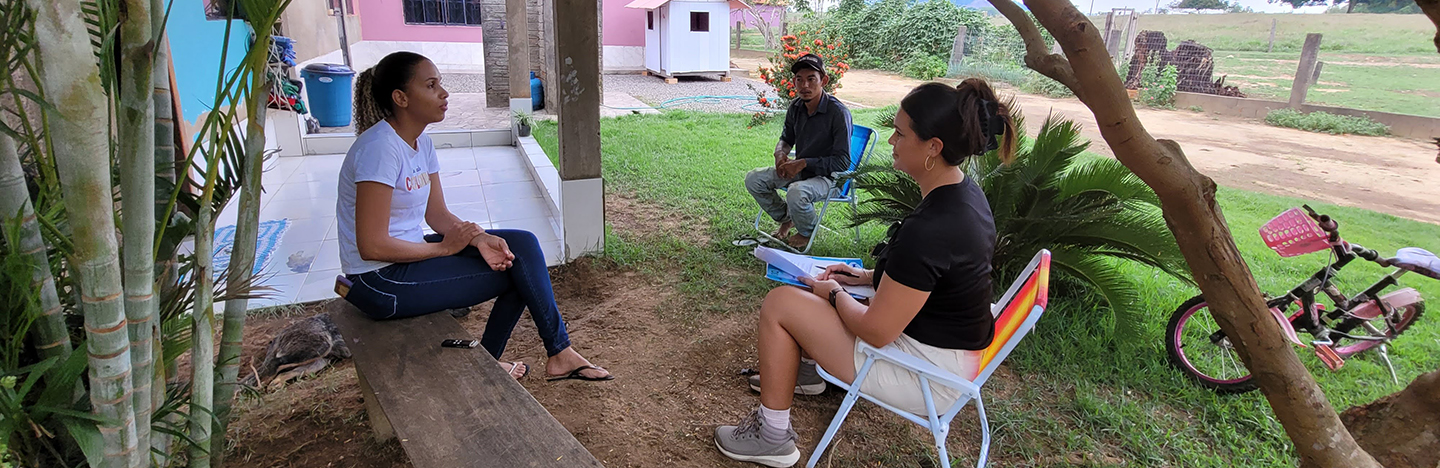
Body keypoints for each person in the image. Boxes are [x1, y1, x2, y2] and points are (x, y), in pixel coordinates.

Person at [715, 79, 1016, 467]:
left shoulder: (933, 227)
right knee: (822, 287)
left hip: (925, 377)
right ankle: (805, 374)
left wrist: (834, 294)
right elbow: (933, 280)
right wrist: (865, 278)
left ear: (933, 148)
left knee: (781, 303)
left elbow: (875, 331)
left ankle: (772, 437)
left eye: (900, 132)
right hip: (946, 352)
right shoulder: (964, 196)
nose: (891, 140)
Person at [334, 51, 612, 383]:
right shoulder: (379, 149)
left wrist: (478, 238)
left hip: (405, 259)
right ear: (401, 98)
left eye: (441, 84)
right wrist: (443, 249)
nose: (444, 93)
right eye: (431, 85)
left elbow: (437, 216)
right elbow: (371, 246)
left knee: (519, 246)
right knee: (516, 272)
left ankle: (556, 352)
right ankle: (528, 356)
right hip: (378, 282)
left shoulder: (419, 142)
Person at [744, 53, 853, 249]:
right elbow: (786, 138)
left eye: (811, 79)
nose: (805, 86)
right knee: (754, 179)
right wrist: (779, 154)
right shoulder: (796, 106)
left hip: (831, 178)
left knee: (796, 191)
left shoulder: (838, 113)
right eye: (799, 80)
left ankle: (807, 232)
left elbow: (843, 162)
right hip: (801, 172)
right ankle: (788, 218)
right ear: (793, 82)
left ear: (824, 80)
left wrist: (803, 163)